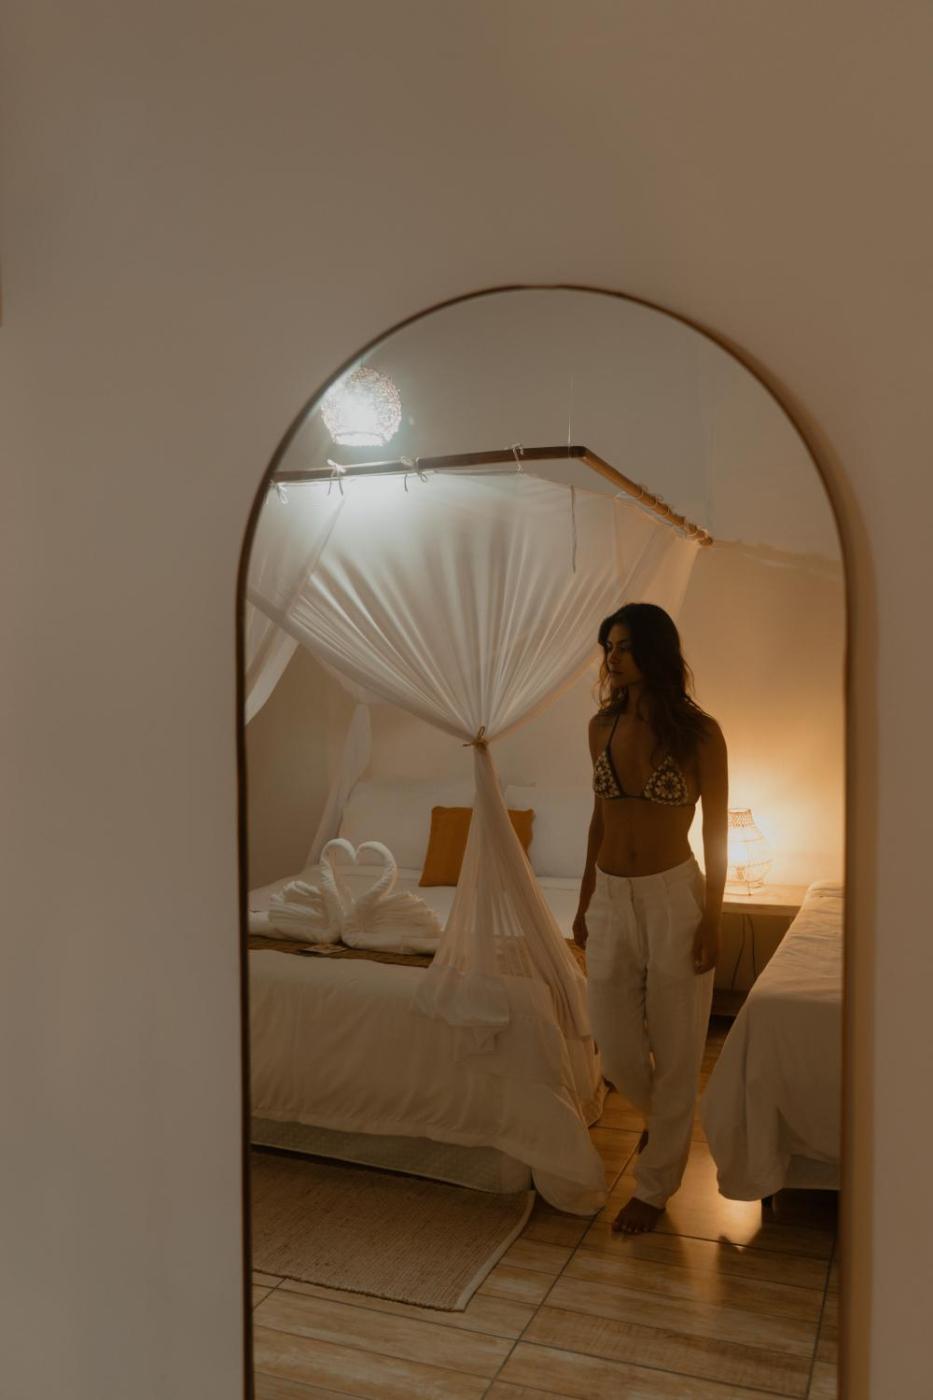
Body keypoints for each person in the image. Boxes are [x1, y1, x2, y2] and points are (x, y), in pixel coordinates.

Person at [573, 602, 727, 1235]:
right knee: (614, 1045)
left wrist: (712, 917)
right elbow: (599, 819)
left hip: (674, 899)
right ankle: (664, 1121)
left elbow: (717, 829)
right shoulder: (600, 726)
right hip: (611, 896)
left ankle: (656, 1188)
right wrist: (585, 900)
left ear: (654, 652)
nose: (612, 658)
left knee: (679, 1044)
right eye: (608, 647)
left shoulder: (700, 733)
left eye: (624, 646)